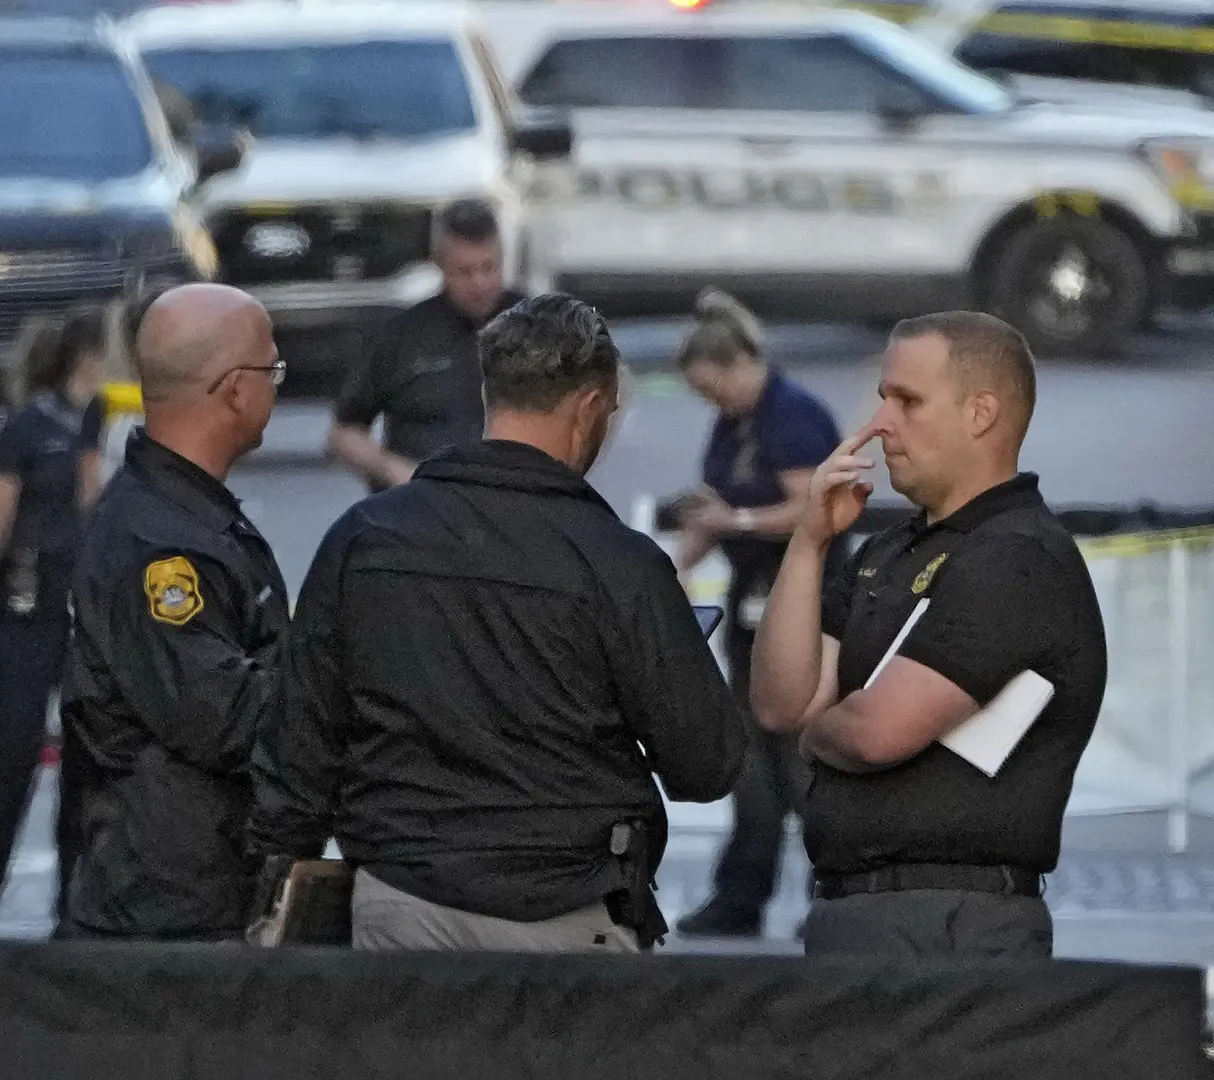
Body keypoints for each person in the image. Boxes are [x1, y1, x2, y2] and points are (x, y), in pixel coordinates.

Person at [249, 292, 747, 953]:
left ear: (492, 394)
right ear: (592, 407)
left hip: (400, 906)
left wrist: (271, 903)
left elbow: (299, 745)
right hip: (569, 915)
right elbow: (706, 763)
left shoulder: (367, 540)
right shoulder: (619, 564)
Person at [749, 311, 1107, 959]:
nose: (880, 422)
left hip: (951, 922)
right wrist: (809, 541)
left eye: (907, 400)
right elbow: (779, 701)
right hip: (853, 907)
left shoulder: (1019, 557)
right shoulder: (884, 552)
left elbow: (874, 732)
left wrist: (818, 728)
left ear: (981, 414)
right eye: (884, 397)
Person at [57, 283, 290, 942]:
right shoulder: (160, 547)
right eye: (271, 369)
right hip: (172, 910)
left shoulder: (183, 515)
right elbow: (219, 715)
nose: (276, 386)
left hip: (201, 881)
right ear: (235, 389)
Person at [668, 289, 845, 940]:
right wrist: (686, 556)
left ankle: (839, 894)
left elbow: (813, 509)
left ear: (742, 363)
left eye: (715, 389)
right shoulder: (736, 423)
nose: (712, 404)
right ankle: (741, 892)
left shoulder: (792, 416)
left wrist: (736, 519)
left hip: (801, 599)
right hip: (752, 597)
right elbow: (720, 501)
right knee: (750, 759)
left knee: (804, 756)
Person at [0, 306, 108, 937]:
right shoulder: (22, 431)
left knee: (83, 766)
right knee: (7, 764)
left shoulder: (93, 422)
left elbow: (92, 502)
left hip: (71, 612)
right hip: (18, 610)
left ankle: (72, 911)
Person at [326, 198, 523, 493]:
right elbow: (344, 433)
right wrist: (392, 470)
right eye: (465, 272)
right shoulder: (404, 336)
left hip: (514, 501)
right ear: (440, 265)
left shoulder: (537, 324)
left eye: (489, 268)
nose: (479, 283)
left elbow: (605, 388)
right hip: (421, 504)